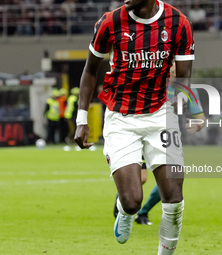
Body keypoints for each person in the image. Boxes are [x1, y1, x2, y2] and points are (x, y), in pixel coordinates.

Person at [74, 0, 194, 254]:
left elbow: (183, 77)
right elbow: (89, 71)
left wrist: (184, 109)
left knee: (173, 197)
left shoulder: (179, 23)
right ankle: (125, 211)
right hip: (121, 118)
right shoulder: (110, 22)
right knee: (132, 202)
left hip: (161, 114)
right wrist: (81, 119)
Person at [134, 64, 205, 225]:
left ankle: (142, 213)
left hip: (168, 140)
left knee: (170, 180)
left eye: (177, 71)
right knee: (142, 179)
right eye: (171, 70)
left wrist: (197, 124)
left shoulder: (188, 91)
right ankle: (123, 201)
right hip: (143, 135)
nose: (174, 73)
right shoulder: (153, 84)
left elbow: (201, 118)